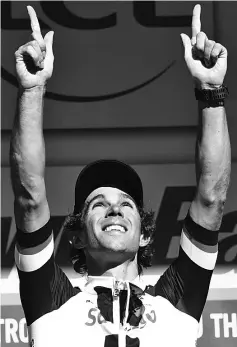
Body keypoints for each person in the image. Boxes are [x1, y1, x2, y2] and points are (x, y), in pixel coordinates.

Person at [11, 4, 231, 347]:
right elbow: (30, 199)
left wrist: (211, 92)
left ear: (144, 235)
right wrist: (32, 90)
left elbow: (211, 197)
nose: (114, 210)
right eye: (97, 204)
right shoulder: (52, 302)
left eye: (126, 205)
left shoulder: (178, 301)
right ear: (77, 237)